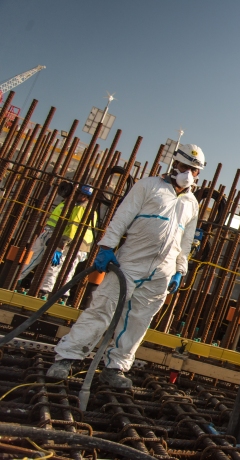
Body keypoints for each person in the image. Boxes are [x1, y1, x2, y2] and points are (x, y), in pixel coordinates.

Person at [46, 144, 205, 388]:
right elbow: (122, 216)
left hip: (163, 270)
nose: (188, 173)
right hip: (131, 261)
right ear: (175, 164)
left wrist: (180, 269)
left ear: (198, 174)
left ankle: (115, 367)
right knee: (103, 308)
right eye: (185, 167)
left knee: (139, 320)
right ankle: (68, 357)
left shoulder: (191, 203)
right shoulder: (148, 186)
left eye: (194, 170)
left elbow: (186, 241)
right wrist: (107, 246)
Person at [17, 184, 97, 301]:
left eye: (81, 194)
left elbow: (73, 227)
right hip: (77, 245)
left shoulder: (80, 207)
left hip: (72, 244)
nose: (78, 195)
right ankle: (60, 294)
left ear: (86, 197)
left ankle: (43, 291)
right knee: (65, 269)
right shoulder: (74, 205)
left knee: (54, 266)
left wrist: (62, 244)